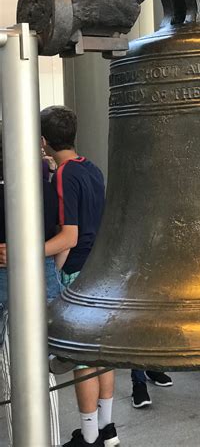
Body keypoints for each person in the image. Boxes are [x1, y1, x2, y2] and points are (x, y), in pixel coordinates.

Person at [40, 106, 119, 447]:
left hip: (77, 272)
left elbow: (68, 237)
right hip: (100, 269)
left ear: (43, 141)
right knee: (101, 355)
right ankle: (107, 429)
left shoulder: (63, 175)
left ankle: (88, 437)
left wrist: (29, 256)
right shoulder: (91, 168)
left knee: (81, 359)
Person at [0, 126, 63, 446]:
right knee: (41, 375)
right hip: (44, 278)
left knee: (14, 376)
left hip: (10, 286)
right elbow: (62, 232)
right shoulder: (46, 184)